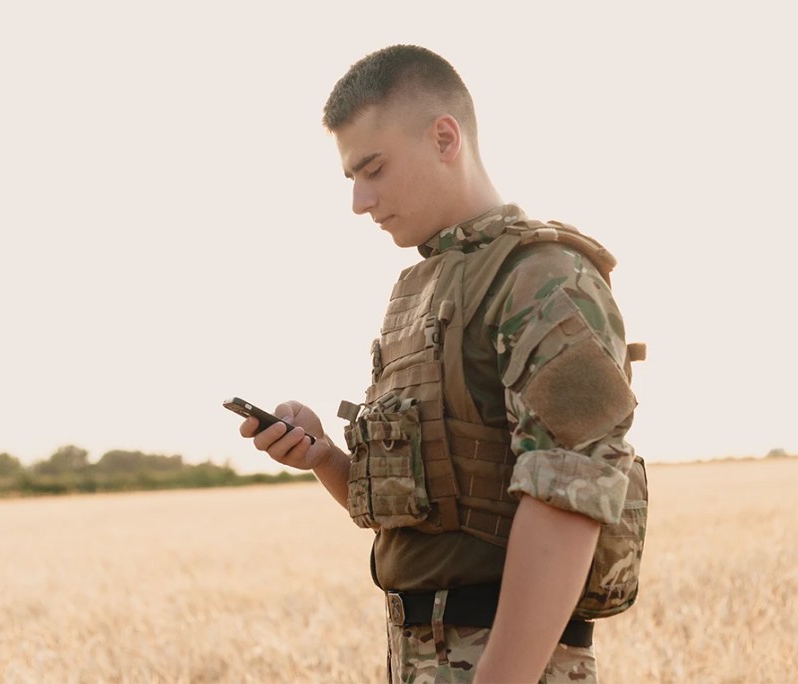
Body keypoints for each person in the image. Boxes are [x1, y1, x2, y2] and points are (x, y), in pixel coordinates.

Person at [239, 45, 643, 683]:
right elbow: (430, 517)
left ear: (445, 137)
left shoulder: (546, 278)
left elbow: (571, 496)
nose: (360, 201)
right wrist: (323, 456)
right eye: (351, 179)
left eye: (373, 169)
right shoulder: (419, 294)